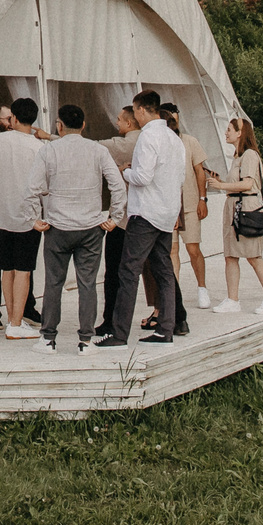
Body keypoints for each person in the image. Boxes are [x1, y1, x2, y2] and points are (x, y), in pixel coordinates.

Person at [25, 104, 125, 353]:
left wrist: (33, 218)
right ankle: (86, 340)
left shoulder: (49, 150)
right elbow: (117, 185)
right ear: (83, 124)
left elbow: (32, 188)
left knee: (53, 284)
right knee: (88, 284)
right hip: (91, 227)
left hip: (57, 226)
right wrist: (115, 216)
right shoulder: (98, 150)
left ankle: (48, 338)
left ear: (59, 125)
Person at [96, 90, 184, 347]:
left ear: (143, 110)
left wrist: (126, 172)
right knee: (164, 272)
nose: (133, 116)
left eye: (134, 111)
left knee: (128, 271)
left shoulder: (148, 137)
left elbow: (143, 177)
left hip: (145, 213)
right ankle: (166, 329)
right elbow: (180, 178)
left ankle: (119, 333)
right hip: (166, 213)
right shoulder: (173, 137)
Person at [0, 99, 49, 339]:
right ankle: (16, 323)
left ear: (13, 119)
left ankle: (13, 319)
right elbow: (44, 185)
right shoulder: (39, 147)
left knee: (6, 269)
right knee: (23, 270)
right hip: (27, 215)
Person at [214, 115, 263, 310]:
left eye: (230, 130)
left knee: (254, 256)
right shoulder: (237, 156)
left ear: (240, 133)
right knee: (231, 255)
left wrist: (222, 185)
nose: (226, 133)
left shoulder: (250, 155)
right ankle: (232, 300)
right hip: (234, 207)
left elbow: (248, 183)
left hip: (246, 208)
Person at [96, 103, 140, 339]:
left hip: (123, 218)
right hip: (148, 216)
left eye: (120, 120)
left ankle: (111, 322)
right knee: (160, 269)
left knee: (113, 271)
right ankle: (176, 317)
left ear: (129, 122)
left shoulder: (123, 145)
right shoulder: (150, 141)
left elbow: (89, 147)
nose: (117, 122)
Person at [165, 101, 212, 316]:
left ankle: (202, 288)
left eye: (176, 114)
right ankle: (174, 294)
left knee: (193, 249)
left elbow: (200, 171)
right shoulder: (161, 142)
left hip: (190, 204)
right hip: (168, 206)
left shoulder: (190, 142)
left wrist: (203, 198)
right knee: (172, 251)